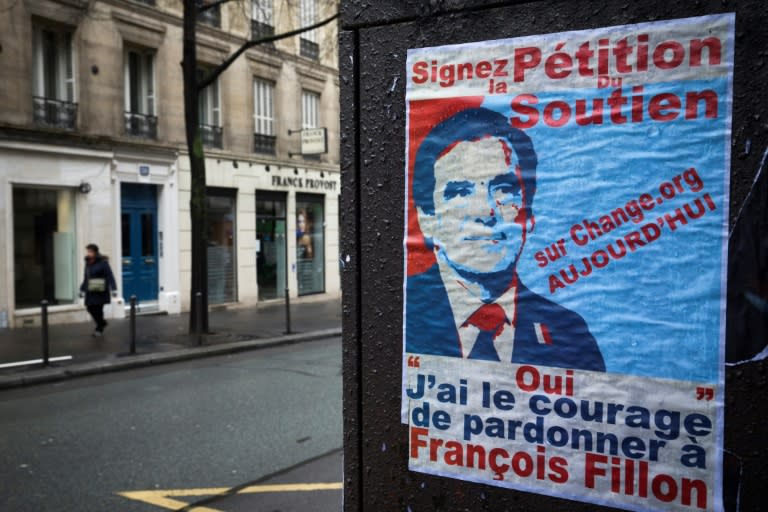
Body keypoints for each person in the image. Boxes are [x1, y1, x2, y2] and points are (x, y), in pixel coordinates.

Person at [406, 107, 605, 371]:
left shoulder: (569, 334)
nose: (485, 211)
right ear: (427, 220)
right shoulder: (403, 314)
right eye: (459, 192)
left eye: (503, 189)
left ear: (529, 215)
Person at [80, 243, 117, 337]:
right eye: (88, 251)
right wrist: (82, 289)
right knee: (89, 307)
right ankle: (102, 323)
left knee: (98, 309)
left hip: (101, 289)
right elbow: (86, 277)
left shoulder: (103, 262)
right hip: (90, 289)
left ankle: (99, 329)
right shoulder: (87, 262)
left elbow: (109, 275)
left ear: (95, 252)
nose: (88, 253)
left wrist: (113, 288)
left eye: (90, 251)